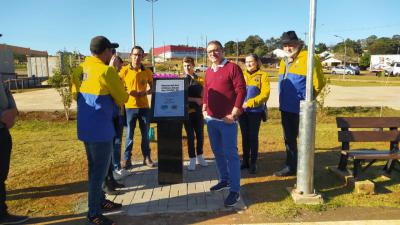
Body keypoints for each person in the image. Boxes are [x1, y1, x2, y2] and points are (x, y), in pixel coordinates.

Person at [71, 36, 129, 225]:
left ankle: (100, 201)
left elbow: (74, 95)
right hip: (102, 130)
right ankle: (94, 213)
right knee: (99, 173)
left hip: (86, 128)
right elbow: (123, 98)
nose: (112, 54)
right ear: (104, 51)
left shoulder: (79, 70)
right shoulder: (106, 71)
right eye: (111, 50)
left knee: (94, 170)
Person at [274, 31, 325, 177]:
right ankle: (291, 166)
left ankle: (305, 169)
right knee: (289, 139)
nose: (288, 48)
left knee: (304, 140)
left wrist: (308, 99)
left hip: (302, 109)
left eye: (291, 44)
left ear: (298, 44)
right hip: (285, 107)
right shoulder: (284, 61)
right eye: (285, 45)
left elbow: (319, 82)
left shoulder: (309, 57)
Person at [203, 40, 246, 207]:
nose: (213, 54)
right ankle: (224, 180)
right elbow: (206, 90)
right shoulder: (208, 71)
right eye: (209, 52)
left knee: (231, 155)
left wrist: (234, 113)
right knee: (217, 153)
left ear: (222, 51)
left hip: (227, 120)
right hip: (212, 120)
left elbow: (241, 90)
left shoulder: (232, 68)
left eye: (216, 50)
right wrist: (204, 107)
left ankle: (234, 190)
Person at [120, 46, 154, 169]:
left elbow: (153, 86)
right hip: (130, 107)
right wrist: (128, 92)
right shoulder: (124, 70)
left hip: (144, 107)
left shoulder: (147, 72)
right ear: (130, 55)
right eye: (135, 55)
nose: (137, 57)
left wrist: (146, 92)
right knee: (129, 135)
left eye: (139, 55)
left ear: (143, 56)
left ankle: (147, 157)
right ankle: (127, 159)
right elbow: (118, 86)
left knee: (145, 135)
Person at [0, 78, 29, 225]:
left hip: (3, 131)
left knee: (1, 175)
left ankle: (2, 213)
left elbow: (6, 91)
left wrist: (12, 110)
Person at [239, 54, 270, 174]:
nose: (248, 64)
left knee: (253, 137)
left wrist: (250, 103)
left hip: (255, 112)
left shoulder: (263, 75)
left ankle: (253, 162)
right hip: (242, 111)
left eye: (251, 61)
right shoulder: (242, 74)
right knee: (244, 136)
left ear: (257, 62)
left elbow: (265, 94)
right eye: (246, 62)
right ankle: (245, 161)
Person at [102, 54, 128, 195]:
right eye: (115, 62)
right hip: (110, 117)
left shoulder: (117, 76)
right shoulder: (107, 74)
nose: (118, 65)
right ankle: (107, 181)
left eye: (119, 63)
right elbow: (121, 96)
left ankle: (112, 177)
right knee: (109, 148)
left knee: (116, 143)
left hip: (118, 114)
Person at [181, 56, 208, 171]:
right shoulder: (181, 80)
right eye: (185, 65)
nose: (187, 67)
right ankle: (192, 158)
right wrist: (194, 100)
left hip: (198, 112)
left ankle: (200, 156)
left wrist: (204, 99)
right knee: (190, 136)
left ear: (193, 65)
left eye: (189, 65)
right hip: (187, 112)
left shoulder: (200, 79)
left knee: (200, 135)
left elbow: (206, 93)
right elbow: (180, 97)